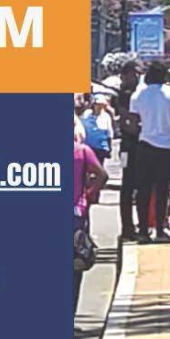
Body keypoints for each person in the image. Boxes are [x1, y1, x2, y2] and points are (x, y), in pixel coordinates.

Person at [129, 60, 170, 244]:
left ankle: (143, 230)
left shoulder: (138, 95)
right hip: (167, 148)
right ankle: (161, 230)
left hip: (145, 146)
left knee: (143, 191)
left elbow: (133, 121)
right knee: (163, 191)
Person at [73, 124, 108, 310]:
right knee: (76, 262)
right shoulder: (82, 151)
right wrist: (89, 193)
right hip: (77, 213)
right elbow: (102, 174)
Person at [116, 60, 141, 239]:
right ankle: (127, 226)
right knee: (127, 186)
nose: (136, 77)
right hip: (128, 144)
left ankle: (142, 223)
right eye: (133, 73)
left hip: (141, 144)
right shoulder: (123, 94)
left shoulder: (140, 92)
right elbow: (125, 118)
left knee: (142, 186)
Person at [81, 93, 114, 165]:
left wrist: (109, 148)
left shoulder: (106, 117)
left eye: (101, 105)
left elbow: (109, 133)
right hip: (88, 147)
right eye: (96, 104)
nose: (98, 107)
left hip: (100, 148)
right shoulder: (86, 114)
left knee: (99, 167)